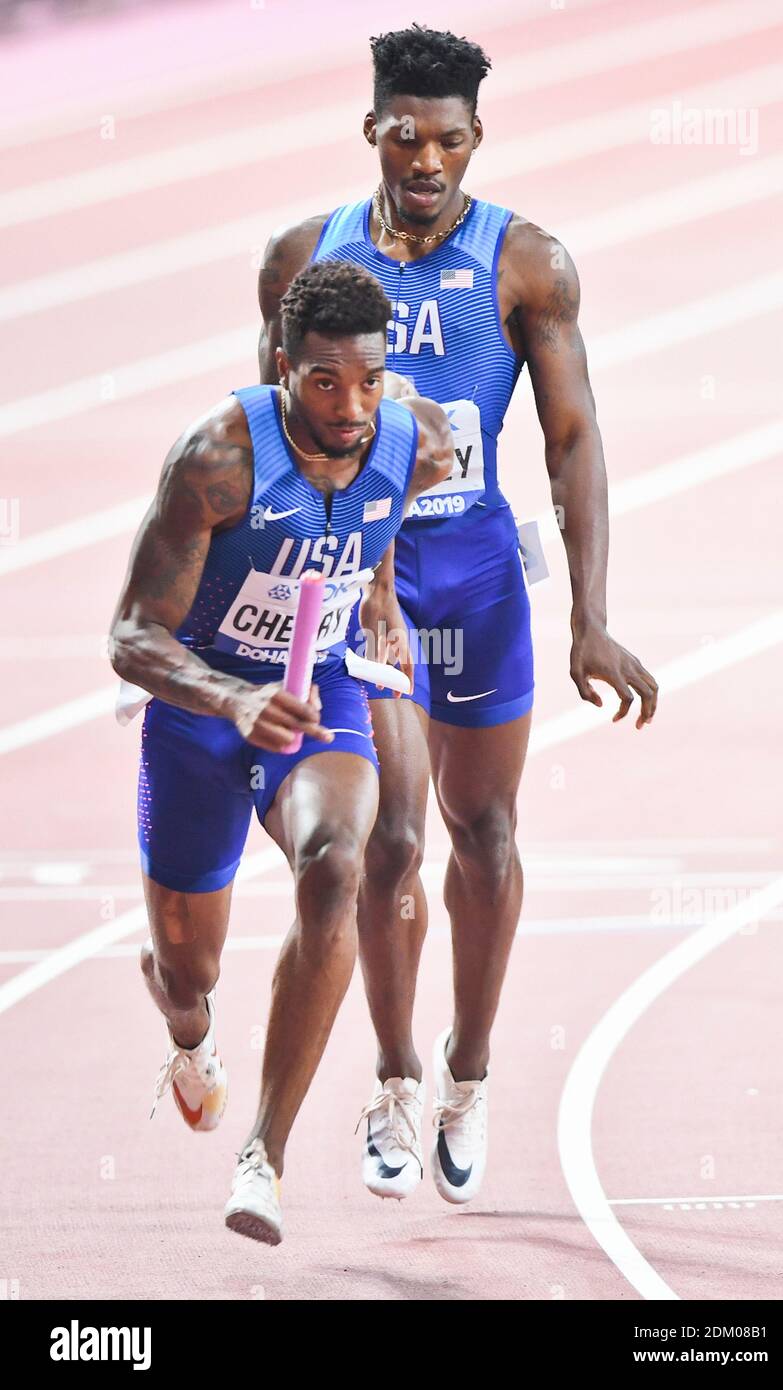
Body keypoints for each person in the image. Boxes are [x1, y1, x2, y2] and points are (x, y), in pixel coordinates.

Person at [257, 25, 659, 1206]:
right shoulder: (304, 259)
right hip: (354, 592)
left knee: (482, 834)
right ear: (370, 129)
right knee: (387, 840)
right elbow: (259, 440)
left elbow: (571, 438)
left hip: (474, 582)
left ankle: (465, 1071)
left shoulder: (525, 263)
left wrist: (589, 616)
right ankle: (387, 1076)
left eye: (446, 140)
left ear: (475, 140)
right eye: (403, 134)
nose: (424, 158)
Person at [108, 259, 454, 1245]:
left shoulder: (413, 442)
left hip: (322, 694)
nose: (350, 408)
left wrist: (378, 603)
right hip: (202, 709)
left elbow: (375, 518)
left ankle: (263, 1152)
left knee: (336, 861)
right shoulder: (217, 457)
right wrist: (230, 694)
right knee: (191, 968)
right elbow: (130, 634)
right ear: (279, 365)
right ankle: (188, 1030)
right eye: (323, 384)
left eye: (368, 382)